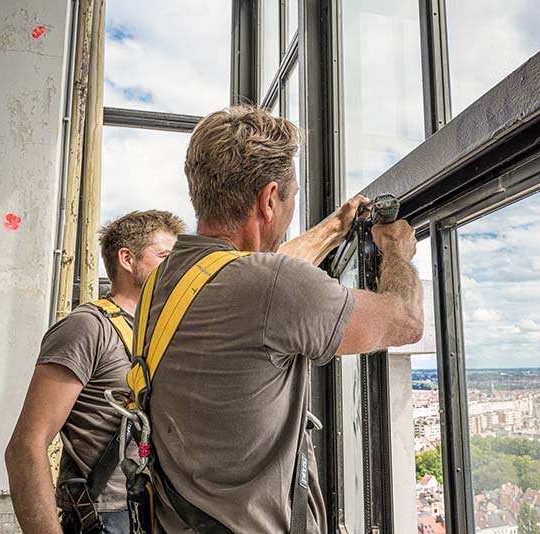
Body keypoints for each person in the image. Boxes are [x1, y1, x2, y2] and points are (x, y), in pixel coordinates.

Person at [136, 106, 423, 533]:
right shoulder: (270, 288)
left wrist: (333, 229)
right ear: (269, 199)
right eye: (290, 197)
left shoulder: (166, 279)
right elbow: (405, 320)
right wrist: (397, 250)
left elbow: (254, 276)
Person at [6, 210, 187, 534]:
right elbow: (25, 447)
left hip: (156, 510)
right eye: (164, 256)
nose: (175, 268)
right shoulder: (87, 328)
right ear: (127, 259)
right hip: (103, 518)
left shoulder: (157, 333)